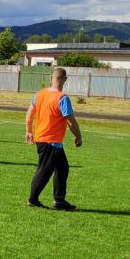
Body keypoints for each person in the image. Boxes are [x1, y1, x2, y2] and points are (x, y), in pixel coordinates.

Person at [26, 66, 83, 211]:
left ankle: (59, 200)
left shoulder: (40, 94)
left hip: (44, 138)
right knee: (44, 171)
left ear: (51, 78)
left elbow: (29, 113)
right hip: (50, 141)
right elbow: (71, 121)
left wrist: (29, 131)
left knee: (62, 168)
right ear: (65, 79)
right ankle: (33, 199)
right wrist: (79, 137)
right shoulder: (62, 98)